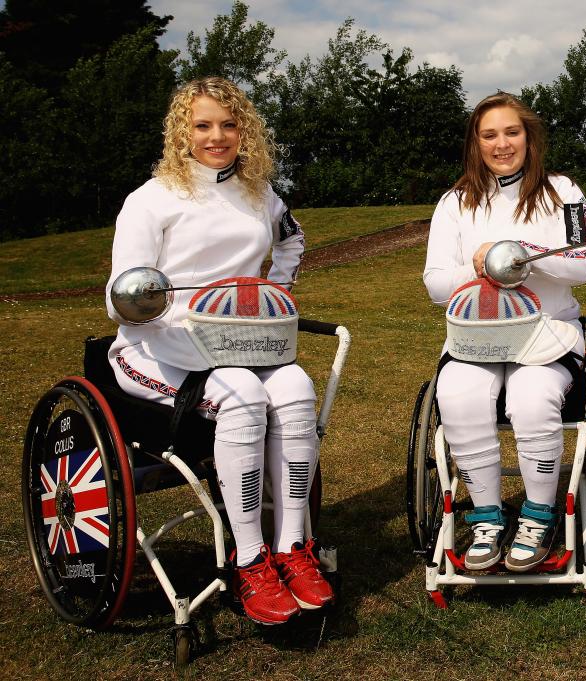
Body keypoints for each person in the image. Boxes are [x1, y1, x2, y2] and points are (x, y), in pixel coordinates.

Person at [105, 77, 332, 625]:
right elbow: (122, 297)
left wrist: (276, 286)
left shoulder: (259, 194)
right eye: (203, 125)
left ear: (244, 131)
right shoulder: (151, 199)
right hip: (158, 346)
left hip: (240, 340)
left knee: (298, 387)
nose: (217, 136)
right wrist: (163, 309)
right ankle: (248, 559)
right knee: (245, 395)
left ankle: (292, 548)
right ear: (182, 131)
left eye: (229, 125)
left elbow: (292, 237)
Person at [423, 93, 586, 572]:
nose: (502, 144)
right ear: (475, 144)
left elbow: (584, 265)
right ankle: (486, 517)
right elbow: (436, 284)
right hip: (475, 338)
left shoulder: (564, 191)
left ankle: (539, 516)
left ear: (530, 137)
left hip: (548, 334)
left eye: (512, 132)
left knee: (532, 396)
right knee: (457, 393)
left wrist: (523, 250)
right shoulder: (455, 202)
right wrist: (479, 264)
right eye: (489, 135)